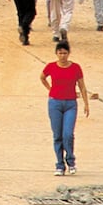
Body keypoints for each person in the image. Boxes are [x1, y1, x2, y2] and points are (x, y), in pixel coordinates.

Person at [40, 41, 89, 177]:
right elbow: (42, 77)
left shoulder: (75, 68)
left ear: (69, 53)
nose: (62, 56)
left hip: (70, 104)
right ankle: (60, 164)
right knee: (57, 136)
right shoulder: (51, 66)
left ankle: (71, 161)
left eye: (65, 53)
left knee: (68, 134)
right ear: (56, 53)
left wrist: (86, 103)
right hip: (55, 103)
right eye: (60, 53)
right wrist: (50, 89)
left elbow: (82, 86)